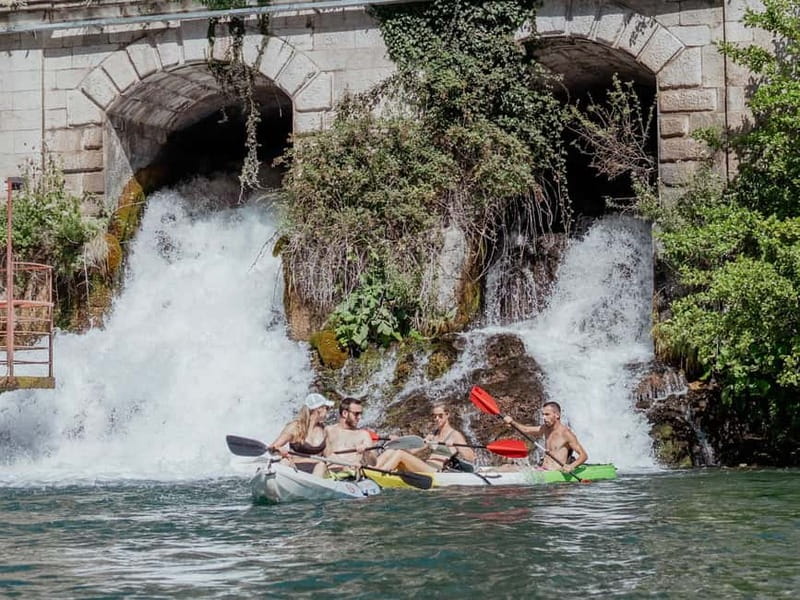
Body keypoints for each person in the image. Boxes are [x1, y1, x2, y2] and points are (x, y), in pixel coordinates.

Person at [374, 403, 475, 473]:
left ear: (447, 415)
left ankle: (379, 474)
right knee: (393, 450)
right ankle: (371, 469)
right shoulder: (432, 434)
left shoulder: (455, 435)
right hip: (425, 466)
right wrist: (398, 441)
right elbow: (412, 451)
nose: (436, 419)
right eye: (434, 416)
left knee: (400, 454)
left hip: (435, 471)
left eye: (440, 416)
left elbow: (471, 457)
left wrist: (455, 446)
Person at [503, 401, 588, 472]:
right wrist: (512, 422)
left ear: (557, 415)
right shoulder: (545, 428)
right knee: (507, 467)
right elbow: (526, 430)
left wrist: (571, 466)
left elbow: (584, 455)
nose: (544, 417)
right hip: (542, 469)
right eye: (543, 414)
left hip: (555, 473)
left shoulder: (566, 433)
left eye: (547, 414)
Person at [267, 392, 334, 474]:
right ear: (319, 409)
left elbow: (329, 456)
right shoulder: (294, 427)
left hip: (315, 470)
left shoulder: (325, 430)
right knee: (284, 461)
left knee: (321, 465)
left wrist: (350, 463)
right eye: (327, 408)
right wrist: (278, 449)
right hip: (293, 466)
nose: (328, 411)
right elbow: (271, 448)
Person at [323, 397, 376, 476]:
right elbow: (327, 454)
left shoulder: (363, 434)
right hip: (331, 473)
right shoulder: (328, 430)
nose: (359, 417)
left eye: (361, 414)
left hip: (352, 475)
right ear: (345, 413)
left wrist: (367, 451)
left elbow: (373, 463)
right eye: (356, 414)